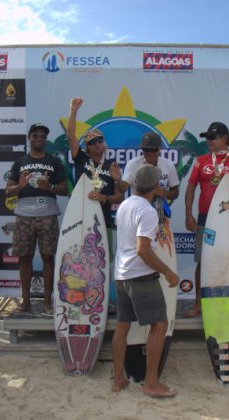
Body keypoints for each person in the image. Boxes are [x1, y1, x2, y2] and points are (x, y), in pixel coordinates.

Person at [111, 164, 179, 398]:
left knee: (122, 326)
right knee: (160, 324)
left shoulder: (124, 205)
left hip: (121, 275)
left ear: (136, 183)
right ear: (157, 186)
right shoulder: (148, 211)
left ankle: (118, 377)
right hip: (140, 276)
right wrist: (168, 271)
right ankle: (151, 383)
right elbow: (143, 250)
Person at [183, 122, 229, 317]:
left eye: (212, 137)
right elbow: (190, 187)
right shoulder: (201, 160)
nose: (208, 141)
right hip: (206, 219)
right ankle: (197, 303)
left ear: (225, 139)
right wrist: (189, 214)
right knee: (202, 260)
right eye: (206, 138)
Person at [66, 97, 124, 310]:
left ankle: (102, 299)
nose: (97, 144)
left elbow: (119, 195)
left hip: (103, 222)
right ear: (87, 148)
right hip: (80, 219)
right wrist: (73, 111)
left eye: (100, 140)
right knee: (80, 261)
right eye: (92, 142)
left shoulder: (112, 165)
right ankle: (79, 297)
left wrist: (106, 198)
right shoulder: (81, 159)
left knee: (102, 261)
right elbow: (71, 136)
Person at [6, 123, 68, 315]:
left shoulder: (54, 162)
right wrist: (21, 186)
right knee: (24, 258)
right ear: (29, 138)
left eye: (43, 136)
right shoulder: (19, 162)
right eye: (36, 136)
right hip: (24, 216)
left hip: (47, 216)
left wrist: (48, 188)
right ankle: (26, 302)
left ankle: (48, 302)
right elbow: (8, 191)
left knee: (49, 258)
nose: (39, 139)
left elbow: (65, 189)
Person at [119, 132, 179, 205]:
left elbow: (175, 192)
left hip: (159, 211)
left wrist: (166, 193)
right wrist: (117, 179)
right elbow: (123, 189)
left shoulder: (168, 165)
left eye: (153, 150)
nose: (149, 153)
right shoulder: (132, 164)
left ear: (160, 148)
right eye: (146, 149)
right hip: (137, 209)